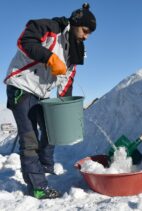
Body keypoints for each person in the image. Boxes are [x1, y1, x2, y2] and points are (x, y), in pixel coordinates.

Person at [4, 3, 96, 199]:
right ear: (75, 23)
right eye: (85, 31)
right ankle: (37, 186)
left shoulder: (76, 50)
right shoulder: (50, 28)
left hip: (42, 93)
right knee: (29, 139)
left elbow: (68, 79)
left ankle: (43, 166)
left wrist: (66, 105)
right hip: (22, 86)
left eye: (90, 34)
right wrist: (50, 58)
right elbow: (25, 41)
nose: (86, 36)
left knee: (52, 130)